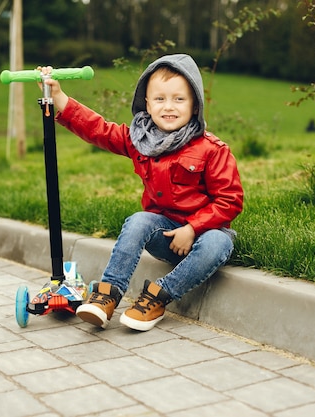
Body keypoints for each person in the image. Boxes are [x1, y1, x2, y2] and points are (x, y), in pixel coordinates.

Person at [38, 54, 244, 331]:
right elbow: (99, 129)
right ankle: (107, 295)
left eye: (179, 99)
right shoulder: (140, 140)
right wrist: (60, 97)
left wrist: (193, 228)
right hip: (165, 235)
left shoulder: (212, 149)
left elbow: (230, 200)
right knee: (139, 220)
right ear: (146, 104)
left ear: (195, 104)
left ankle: (155, 297)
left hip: (206, 234)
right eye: (159, 99)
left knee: (219, 244)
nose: (168, 107)